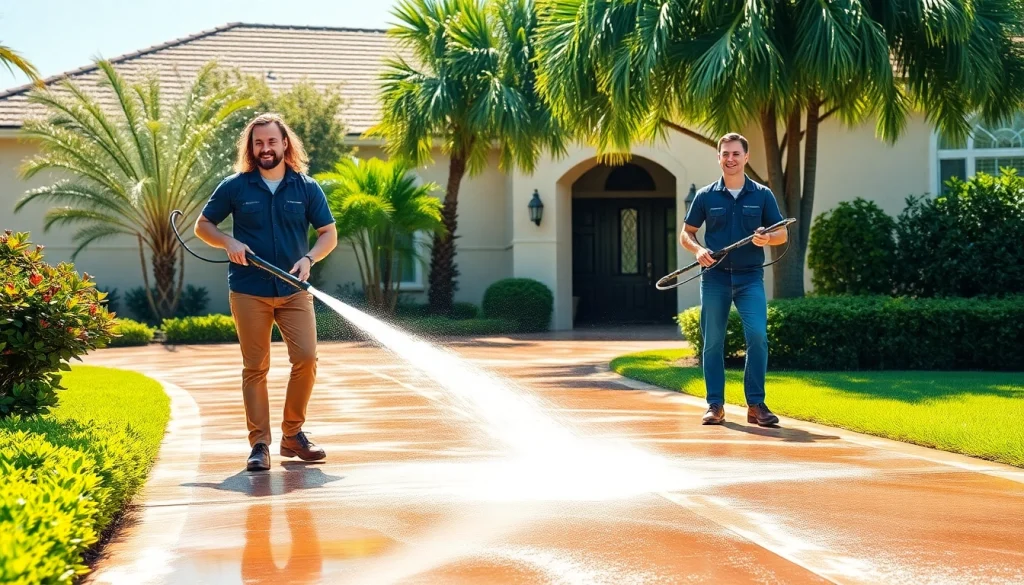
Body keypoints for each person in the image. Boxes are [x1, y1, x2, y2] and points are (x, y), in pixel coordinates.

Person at [195, 113, 338, 471]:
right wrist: (228, 242)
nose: (265, 148)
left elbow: (328, 234)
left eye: (272, 141)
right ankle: (259, 444)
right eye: (258, 142)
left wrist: (309, 258)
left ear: (285, 143)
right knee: (256, 367)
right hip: (249, 290)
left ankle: (293, 435)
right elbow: (203, 226)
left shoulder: (306, 188)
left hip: (293, 290)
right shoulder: (235, 187)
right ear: (251, 147)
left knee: (306, 359)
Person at [679, 132, 787, 427]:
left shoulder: (762, 195)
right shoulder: (705, 196)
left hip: (750, 278)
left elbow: (782, 232)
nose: (730, 159)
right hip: (714, 278)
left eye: (736, 153)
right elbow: (686, 233)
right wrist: (698, 250)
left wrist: (768, 239)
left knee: (758, 337)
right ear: (718, 158)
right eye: (725, 154)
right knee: (712, 342)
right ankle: (715, 405)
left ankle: (756, 405)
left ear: (746, 157)